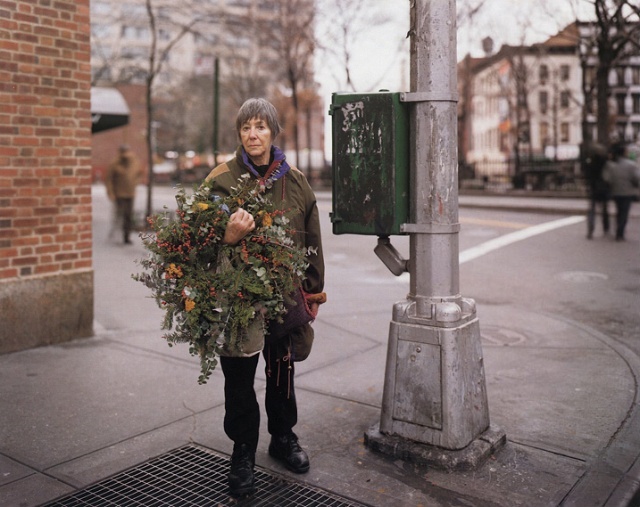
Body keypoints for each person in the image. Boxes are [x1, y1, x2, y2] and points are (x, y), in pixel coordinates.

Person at [204, 98, 325, 497]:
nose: (253, 135)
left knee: (282, 374)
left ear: (273, 132)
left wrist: (312, 293)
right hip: (238, 299)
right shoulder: (221, 179)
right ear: (239, 134)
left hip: (285, 298)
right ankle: (242, 450)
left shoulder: (297, 181)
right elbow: (192, 244)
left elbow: (312, 240)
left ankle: (283, 436)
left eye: (260, 126)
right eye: (245, 128)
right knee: (238, 380)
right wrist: (227, 237)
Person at [104, 145, 142, 244]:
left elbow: (139, 173)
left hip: (130, 194)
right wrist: (111, 193)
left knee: (128, 216)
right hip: (119, 194)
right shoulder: (114, 163)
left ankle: (126, 237)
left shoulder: (134, 161)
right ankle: (117, 235)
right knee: (119, 215)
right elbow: (108, 180)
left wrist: (135, 183)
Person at [602, 142, 640, 241]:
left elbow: (607, 179)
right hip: (627, 192)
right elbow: (636, 178)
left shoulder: (611, 165)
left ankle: (618, 229)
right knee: (624, 212)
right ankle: (620, 232)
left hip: (616, 192)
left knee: (619, 211)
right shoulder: (631, 165)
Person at [583, 142, 610, 239]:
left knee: (592, 210)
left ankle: (590, 229)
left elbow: (587, 175)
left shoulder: (589, 162)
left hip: (593, 188)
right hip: (603, 188)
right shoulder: (605, 162)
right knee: (604, 209)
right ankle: (606, 228)